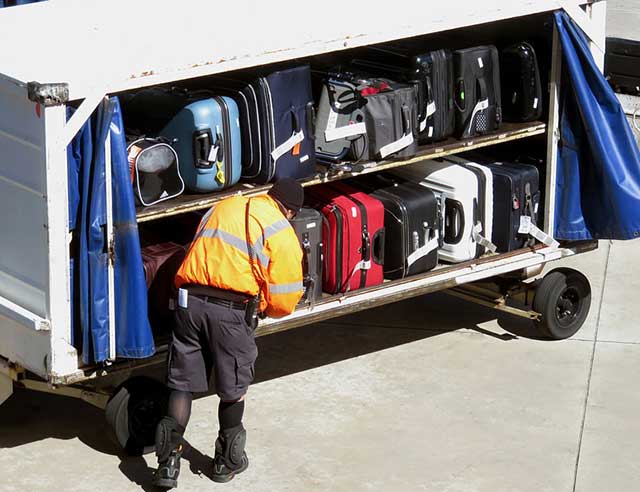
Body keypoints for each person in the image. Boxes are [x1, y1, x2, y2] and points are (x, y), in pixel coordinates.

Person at [153, 178, 305, 489]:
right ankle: (226, 462)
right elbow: (284, 298)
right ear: (290, 211)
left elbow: (197, 246)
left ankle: (167, 466)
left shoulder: (224, 206)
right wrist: (263, 308)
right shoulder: (279, 228)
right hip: (231, 312)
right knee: (234, 387)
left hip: (188, 304)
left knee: (182, 384)